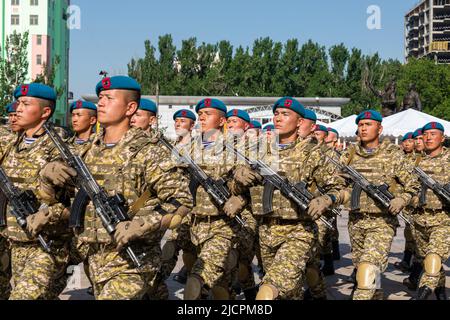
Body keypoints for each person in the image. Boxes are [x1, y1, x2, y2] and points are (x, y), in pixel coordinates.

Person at [40, 76, 193, 300]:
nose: (101, 103)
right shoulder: (85, 150)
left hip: (133, 261)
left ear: (130, 107)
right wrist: (47, 179)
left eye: (109, 98)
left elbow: (181, 201)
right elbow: (61, 201)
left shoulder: (149, 151)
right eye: (101, 98)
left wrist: (141, 224)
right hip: (94, 257)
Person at [229, 97, 346, 300]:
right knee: (288, 293)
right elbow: (238, 187)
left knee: (268, 291)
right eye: (276, 114)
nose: (278, 118)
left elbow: (341, 189)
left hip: (299, 232)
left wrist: (326, 200)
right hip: (266, 232)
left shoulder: (314, 153)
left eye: (285, 114)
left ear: (300, 122)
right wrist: (238, 177)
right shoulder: (258, 151)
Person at [0, 83, 73, 300]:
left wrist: (48, 214)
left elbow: (79, 202)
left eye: (25, 104)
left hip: (47, 246)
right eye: (18, 103)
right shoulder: (13, 145)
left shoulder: (58, 149)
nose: (18, 108)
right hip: (16, 242)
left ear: (45, 112)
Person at [339, 110, 420, 300]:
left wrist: (402, 199)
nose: (364, 128)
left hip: (382, 222)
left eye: (369, 124)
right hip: (356, 221)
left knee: (368, 267)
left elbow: (413, 184)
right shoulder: (349, 154)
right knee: (364, 270)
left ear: (380, 128)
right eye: (361, 125)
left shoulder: (393, 155)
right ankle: (376, 295)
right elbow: (335, 181)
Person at [412, 122, 449, 300]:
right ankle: (441, 294)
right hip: (419, 220)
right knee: (429, 261)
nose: (428, 138)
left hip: (444, 219)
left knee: (434, 256)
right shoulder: (415, 161)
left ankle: (422, 294)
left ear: (442, 138)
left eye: (433, 134)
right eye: (426, 134)